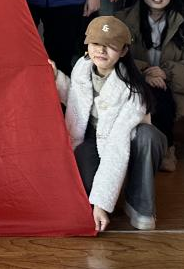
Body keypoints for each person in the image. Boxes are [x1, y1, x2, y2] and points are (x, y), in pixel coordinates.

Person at [52, 16, 161, 232]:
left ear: (123, 51)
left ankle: (139, 202)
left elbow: (116, 147)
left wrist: (101, 204)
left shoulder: (133, 89)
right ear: (87, 44)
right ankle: (107, 192)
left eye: (111, 46)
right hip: (92, 135)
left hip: (124, 139)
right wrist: (55, 77)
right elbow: (75, 100)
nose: (101, 51)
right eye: (96, 43)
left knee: (147, 136)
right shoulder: (82, 67)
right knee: (84, 188)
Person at [119, 0, 184, 171]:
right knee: (153, 92)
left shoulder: (183, 21)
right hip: (133, 82)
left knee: (161, 93)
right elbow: (116, 58)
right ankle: (159, 147)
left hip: (169, 85)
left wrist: (166, 73)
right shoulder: (123, 19)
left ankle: (166, 148)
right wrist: (146, 72)